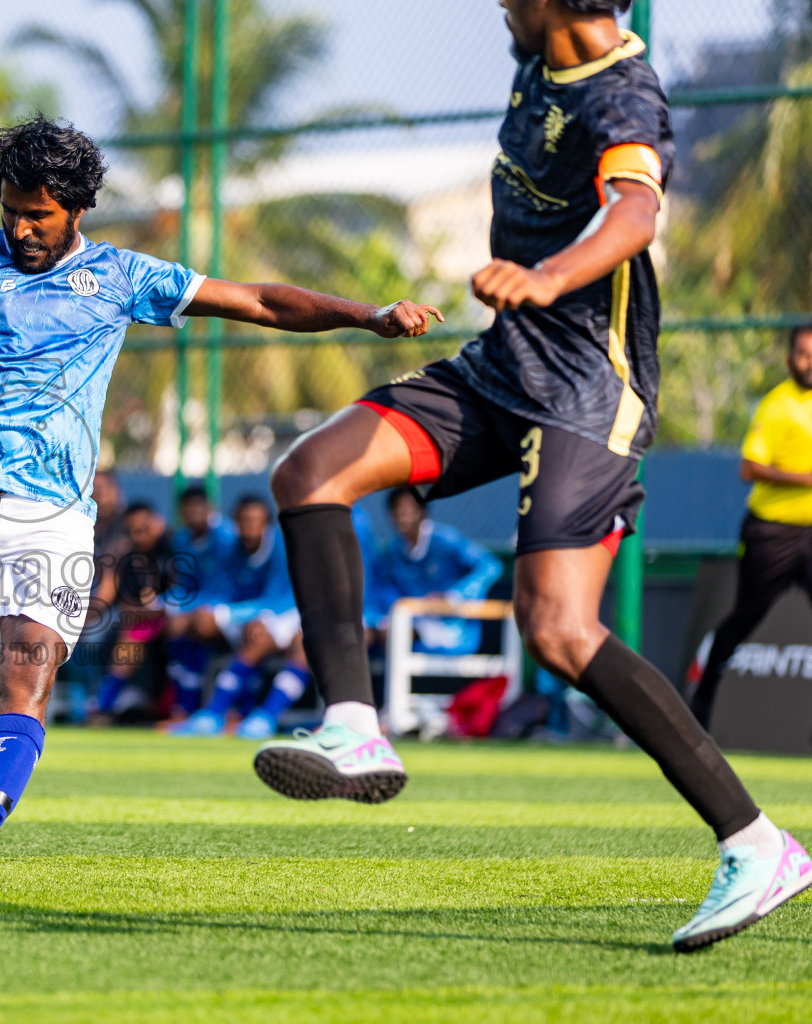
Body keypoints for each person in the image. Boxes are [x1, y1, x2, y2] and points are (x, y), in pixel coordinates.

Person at [0, 115, 440, 889]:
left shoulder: (123, 278)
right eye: (11, 209)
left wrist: (367, 315)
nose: (22, 227)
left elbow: (258, 300)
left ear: (78, 207)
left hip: (54, 516)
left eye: (39, 214)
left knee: (31, 671)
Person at [257, 0, 809, 952]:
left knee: (556, 629)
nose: (495, 6)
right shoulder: (539, 58)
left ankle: (758, 845)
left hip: (591, 390)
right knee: (310, 472)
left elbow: (635, 209)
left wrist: (549, 278)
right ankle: (353, 724)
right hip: (502, 367)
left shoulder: (622, 92)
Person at [690, 325, 812, 727]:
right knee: (745, 617)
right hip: (772, 534)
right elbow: (749, 467)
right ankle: (702, 701)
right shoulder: (776, 406)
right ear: (790, 358)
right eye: (803, 354)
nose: (809, 362)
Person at [164, 495, 312, 741]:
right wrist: (176, 606)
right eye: (244, 521)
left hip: (286, 613)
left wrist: (228, 613)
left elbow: (275, 601)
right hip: (247, 616)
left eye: (256, 521)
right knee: (193, 625)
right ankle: (190, 711)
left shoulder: (281, 547)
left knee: (260, 634)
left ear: (266, 524)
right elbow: (219, 591)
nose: (250, 526)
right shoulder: (231, 549)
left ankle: (257, 716)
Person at [369, 487, 503, 656]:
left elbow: (490, 566)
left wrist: (454, 597)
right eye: (397, 510)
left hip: (453, 628)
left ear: (422, 512)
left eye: (408, 509)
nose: (403, 516)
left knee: (398, 634)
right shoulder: (394, 551)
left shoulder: (445, 540)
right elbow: (387, 592)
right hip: (412, 621)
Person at [91, 501, 176, 722]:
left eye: (144, 528)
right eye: (134, 531)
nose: (140, 535)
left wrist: (157, 608)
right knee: (128, 632)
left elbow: (183, 591)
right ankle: (103, 705)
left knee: (144, 633)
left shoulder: (174, 546)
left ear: (157, 523)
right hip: (148, 621)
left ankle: (106, 702)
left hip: (180, 617)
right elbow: (126, 601)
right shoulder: (129, 558)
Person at [164, 484, 236, 718]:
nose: (194, 513)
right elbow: (183, 586)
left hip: (229, 609)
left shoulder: (226, 538)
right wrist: (163, 603)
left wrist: (185, 610)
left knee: (198, 623)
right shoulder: (182, 539)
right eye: (188, 509)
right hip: (196, 608)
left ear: (210, 509)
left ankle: (199, 707)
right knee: (160, 622)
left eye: (198, 507)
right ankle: (181, 705)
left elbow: (225, 589)